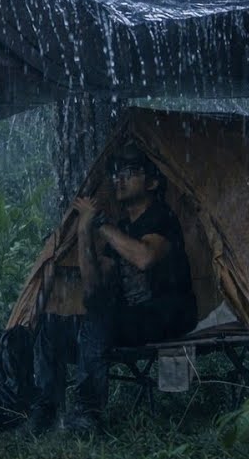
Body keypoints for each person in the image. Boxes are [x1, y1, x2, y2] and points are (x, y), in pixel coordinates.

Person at [29, 143, 196, 435]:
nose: (119, 178)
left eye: (130, 172)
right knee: (51, 326)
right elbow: (93, 288)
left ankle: (87, 413)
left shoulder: (162, 217)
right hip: (127, 320)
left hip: (169, 314)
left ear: (151, 182)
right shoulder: (121, 227)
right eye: (117, 172)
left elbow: (144, 258)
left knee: (99, 317)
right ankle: (46, 410)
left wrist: (101, 223)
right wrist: (84, 230)